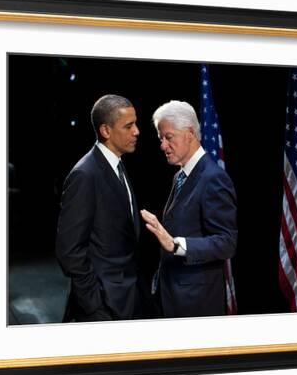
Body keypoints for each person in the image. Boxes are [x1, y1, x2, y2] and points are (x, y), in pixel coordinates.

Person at [141, 100, 237, 318]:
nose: (163, 145)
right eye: (160, 138)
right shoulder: (180, 176)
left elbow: (226, 243)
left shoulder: (214, 178)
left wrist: (175, 245)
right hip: (174, 297)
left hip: (197, 305)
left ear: (190, 133)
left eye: (168, 137)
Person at [56, 94, 140, 322]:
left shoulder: (117, 166)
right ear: (105, 131)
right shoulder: (85, 174)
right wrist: (95, 306)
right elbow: (69, 251)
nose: (137, 132)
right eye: (129, 126)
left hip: (125, 299)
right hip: (103, 306)